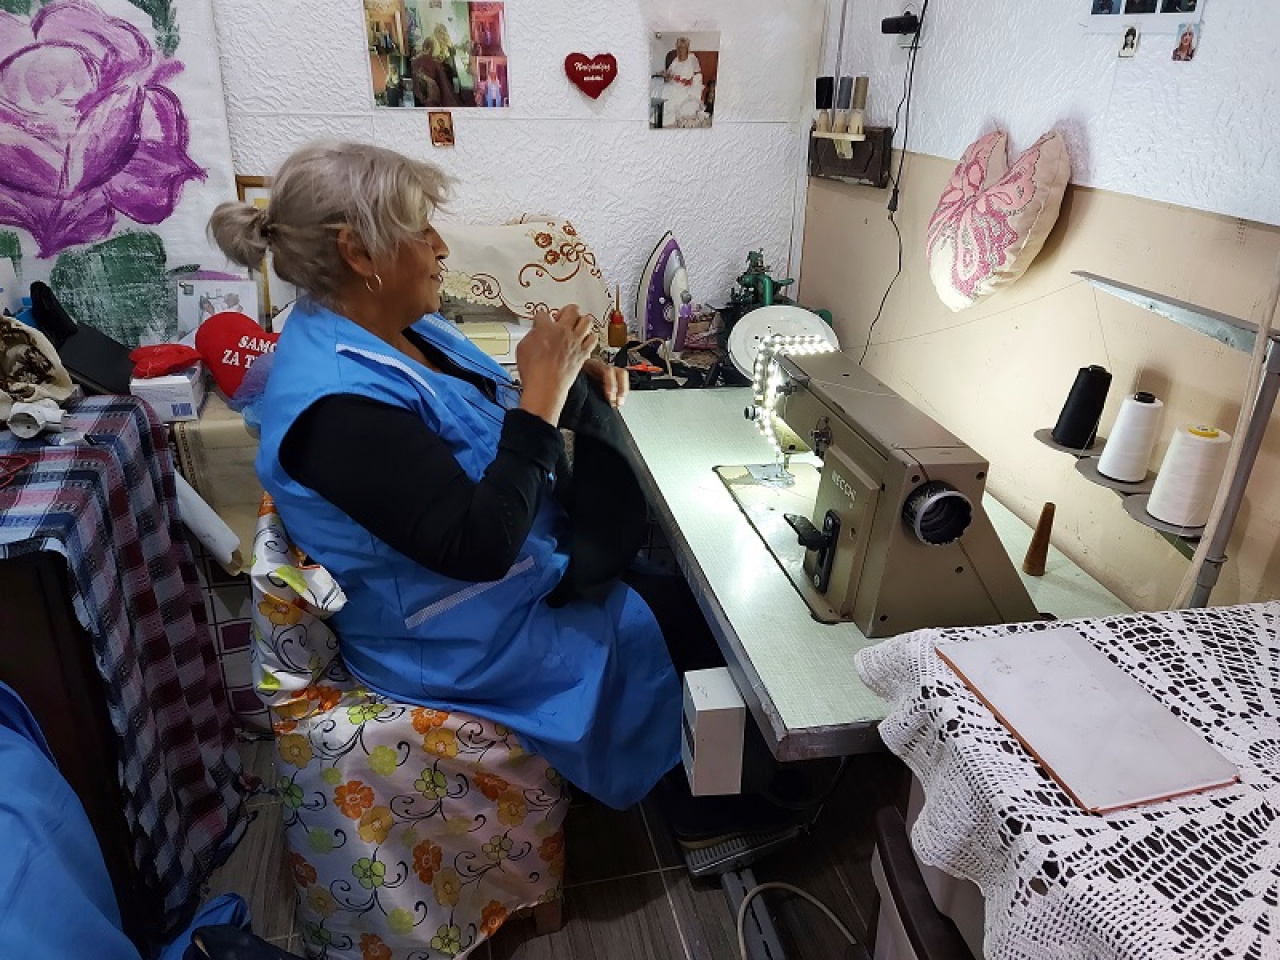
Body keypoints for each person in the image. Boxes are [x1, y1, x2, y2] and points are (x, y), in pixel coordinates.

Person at [207, 142, 683, 811]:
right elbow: (478, 547)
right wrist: (543, 399)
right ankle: (697, 803)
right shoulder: (336, 411)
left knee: (674, 594)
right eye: (423, 230)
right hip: (461, 632)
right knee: (688, 630)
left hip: (515, 577)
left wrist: (569, 376)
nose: (441, 247)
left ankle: (685, 767)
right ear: (359, 253)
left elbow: (473, 415)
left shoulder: (398, 330)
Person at [661, 37, 704, 128]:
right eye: (679, 47)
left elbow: (698, 74)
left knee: (671, 89)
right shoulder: (675, 60)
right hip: (674, 83)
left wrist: (690, 81)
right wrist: (667, 77)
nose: (681, 49)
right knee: (663, 86)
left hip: (686, 86)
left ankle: (671, 117)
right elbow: (669, 74)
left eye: (683, 47)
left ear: (687, 48)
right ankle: (663, 114)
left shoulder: (692, 58)